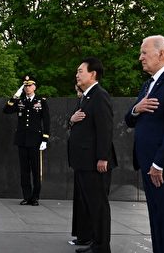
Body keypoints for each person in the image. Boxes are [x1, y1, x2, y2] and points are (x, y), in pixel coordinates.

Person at [125, 35, 164, 253]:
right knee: (156, 218)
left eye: (144, 52)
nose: (140, 57)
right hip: (148, 164)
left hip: (163, 167)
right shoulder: (147, 85)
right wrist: (137, 108)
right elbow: (129, 119)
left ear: (161, 53)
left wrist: (159, 164)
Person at [68, 58, 116, 253]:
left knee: (98, 206)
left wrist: (103, 157)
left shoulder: (99, 95)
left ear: (93, 73)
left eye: (80, 71)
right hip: (83, 162)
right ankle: (94, 242)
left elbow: (105, 128)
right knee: (89, 205)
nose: (77, 74)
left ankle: (102, 247)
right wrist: (70, 121)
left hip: (95, 163)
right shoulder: (86, 97)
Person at [3, 75, 50, 206]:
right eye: (25, 86)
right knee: (24, 170)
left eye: (29, 85)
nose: (27, 88)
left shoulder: (41, 101)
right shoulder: (20, 101)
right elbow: (6, 110)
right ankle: (26, 196)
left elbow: (46, 121)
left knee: (36, 170)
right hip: (22, 140)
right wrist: (15, 95)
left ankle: (35, 197)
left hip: (36, 141)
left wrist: (45, 139)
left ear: (35, 86)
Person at [69, 83, 92, 247]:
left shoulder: (93, 101)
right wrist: (71, 119)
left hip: (89, 159)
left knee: (88, 201)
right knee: (80, 200)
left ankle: (88, 236)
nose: (77, 93)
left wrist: (103, 158)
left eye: (78, 90)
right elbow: (71, 123)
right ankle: (82, 234)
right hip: (79, 159)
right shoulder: (81, 103)